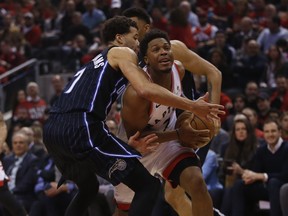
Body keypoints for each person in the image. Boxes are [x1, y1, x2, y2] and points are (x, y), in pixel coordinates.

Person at [43, 16, 224, 216]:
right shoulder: (122, 54)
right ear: (120, 39)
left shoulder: (173, 68)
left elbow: (212, 72)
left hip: (53, 129)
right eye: (135, 37)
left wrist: (200, 117)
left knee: (88, 189)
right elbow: (145, 90)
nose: (138, 43)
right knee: (147, 188)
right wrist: (192, 107)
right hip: (85, 125)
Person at [114, 29, 214, 216]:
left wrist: (186, 120)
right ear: (146, 58)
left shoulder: (179, 70)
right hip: (136, 152)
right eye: (156, 49)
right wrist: (178, 134)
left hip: (168, 142)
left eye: (166, 48)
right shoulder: (135, 94)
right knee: (123, 212)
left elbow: (178, 99)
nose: (163, 52)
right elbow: (138, 139)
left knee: (197, 183)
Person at [231, 119, 288, 216]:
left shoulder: (286, 148)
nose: (270, 135)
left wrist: (261, 176)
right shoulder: (261, 150)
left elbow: (285, 175)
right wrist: (249, 176)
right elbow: (255, 172)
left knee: (273, 183)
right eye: (267, 132)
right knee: (239, 185)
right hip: (266, 187)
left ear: (280, 132)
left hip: (282, 187)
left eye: (273, 131)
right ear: (264, 134)